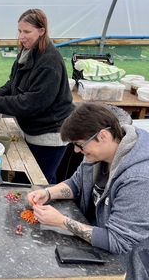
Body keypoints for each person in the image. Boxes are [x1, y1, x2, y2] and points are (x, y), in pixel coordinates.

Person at [27, 102, 149, 255]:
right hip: (93, 235)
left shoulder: (139, 178)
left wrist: (61, 221)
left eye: (79, 144)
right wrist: (48, 193)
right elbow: (77, 183)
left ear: (102, 136)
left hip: (124, 263)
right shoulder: (97, 153)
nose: (77, 151)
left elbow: (118, 241)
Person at [0, 8, 74, 184]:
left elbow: (32, 104)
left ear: (41, 31)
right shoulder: (27, 52)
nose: (21, 36)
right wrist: (0, 92)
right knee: (40, 179)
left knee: (40, 182)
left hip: (49, 135)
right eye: (19, 31)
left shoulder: (49, 62)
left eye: (27, 31)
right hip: (32, 130)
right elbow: (14, 82)